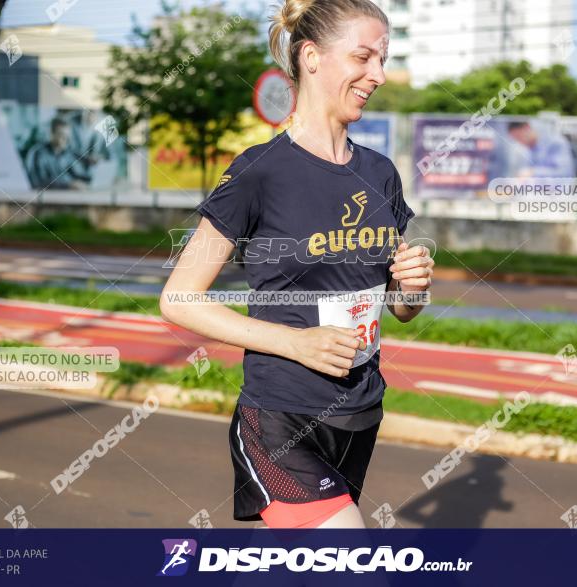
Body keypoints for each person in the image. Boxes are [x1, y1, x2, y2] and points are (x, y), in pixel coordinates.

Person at [160, 0, 433, 529]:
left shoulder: (380, 174)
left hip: (360, 412)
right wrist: (295, 342)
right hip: (280, 418)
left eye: (382, 59)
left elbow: (399, 310)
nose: (377, 74)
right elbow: (179, 299)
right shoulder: (259, 172)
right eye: (363, 57)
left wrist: (412, 287)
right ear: (311, 56)